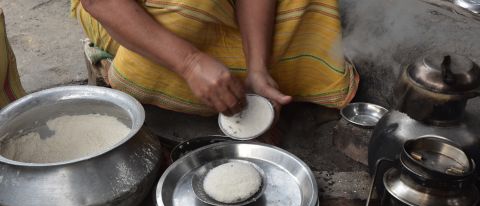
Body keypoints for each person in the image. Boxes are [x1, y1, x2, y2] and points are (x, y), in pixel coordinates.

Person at [72, 0, 358, 116]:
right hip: (123, 10)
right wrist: (190, 63)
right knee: (192, 11)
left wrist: (257, 66)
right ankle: (163, 67)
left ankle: (249, 82)